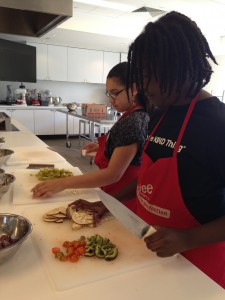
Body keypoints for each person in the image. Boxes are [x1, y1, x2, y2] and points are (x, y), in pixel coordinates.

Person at [74, 11, 225, 288]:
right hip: (148, 248)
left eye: (146, 75)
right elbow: (148, 180)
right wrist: (108, 204)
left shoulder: (218, 125)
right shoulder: (159, 115)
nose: (141, 86)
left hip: (197, 266)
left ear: (178, 66)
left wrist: (188, 238)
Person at [31, 62, 150, 212]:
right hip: (114, 196)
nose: (110, 100)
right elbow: (127, 144)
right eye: (109, 94)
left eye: (115, 93)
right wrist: (105, 145)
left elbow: (113, 174)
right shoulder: (132, 114)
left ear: (134, 89)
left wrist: (62, 183)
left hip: (122, 202)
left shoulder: (134, 120)